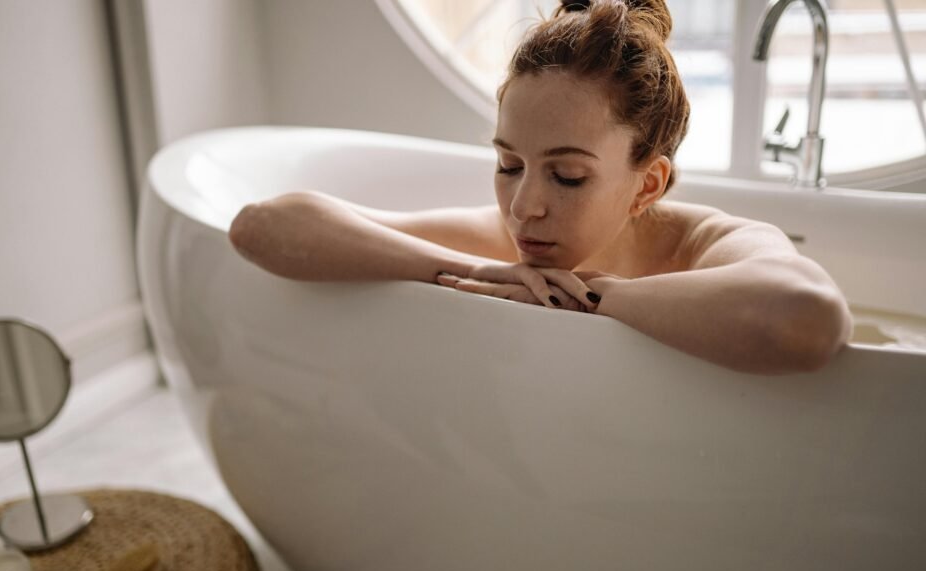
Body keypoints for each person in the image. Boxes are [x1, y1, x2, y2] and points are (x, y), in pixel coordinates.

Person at [228, 0, 852, 375]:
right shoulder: (503, 242)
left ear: (648, 184)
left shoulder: (708, 244)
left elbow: (807, 322)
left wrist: (588, 296)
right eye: (508, 165)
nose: (524, 206)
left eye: (569, 175)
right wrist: (473, 269)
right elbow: (262, 226)